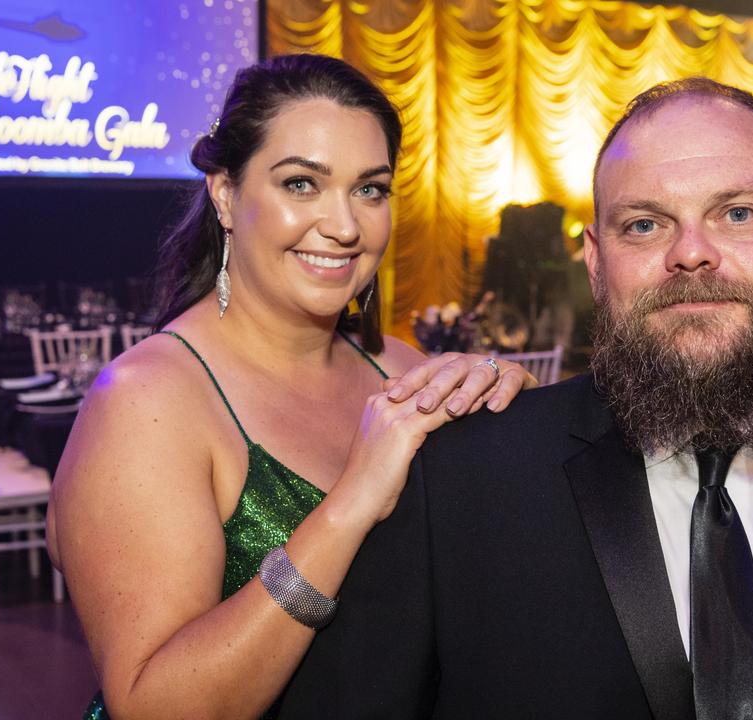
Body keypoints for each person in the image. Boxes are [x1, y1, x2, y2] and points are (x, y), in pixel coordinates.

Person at [278, 78, 753, 719]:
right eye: (644, 225)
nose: (691, 253)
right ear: (595, 262)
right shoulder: (458, 485)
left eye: (738, 213)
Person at [45, 54, 537, 720]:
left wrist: (513, 428)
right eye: (302, 184)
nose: (344, 226)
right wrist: (349, 505)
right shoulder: (149, 400)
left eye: (370, 189)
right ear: (224, 194)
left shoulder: (399, 369)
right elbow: (154, 707)